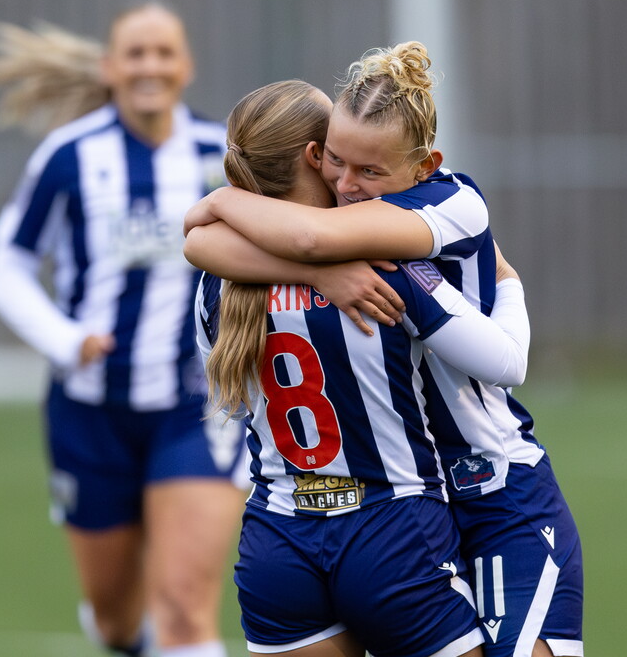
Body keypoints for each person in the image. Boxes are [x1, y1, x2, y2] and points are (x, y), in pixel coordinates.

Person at [185, 43, 584, 657]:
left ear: (425, 164)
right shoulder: (383, 268)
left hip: (290, 526)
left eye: (369, 171)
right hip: (412, 510)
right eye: (338, 163)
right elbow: (509, 363)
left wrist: (215, 208)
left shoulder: (220, 281)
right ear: (315, 155)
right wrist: (508, 282)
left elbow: (276, 243)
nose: (349, 187)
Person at [0, 2, 249, 657]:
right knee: (119, 619)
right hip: (89, 412)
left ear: (186, 66)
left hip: (196, 405)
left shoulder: (222, 155)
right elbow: (6, 265)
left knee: (184, 609)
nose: (150, 66)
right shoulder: (68, 156)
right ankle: (124, 633)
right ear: (110, 67)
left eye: (163, 53)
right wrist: (66, 339)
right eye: (135, 53)